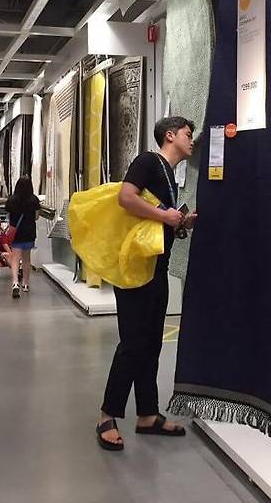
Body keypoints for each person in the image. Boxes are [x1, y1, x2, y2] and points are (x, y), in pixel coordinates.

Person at [96, 116, 198, 451]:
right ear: (170, 136)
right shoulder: (147, 161)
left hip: (155, 268)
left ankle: (147, 413)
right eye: (187, 134)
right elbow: (126, 198)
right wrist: (165, 216)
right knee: (133, 343)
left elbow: (153, 216)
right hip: (136, 271)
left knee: (152, 342)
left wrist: (178, 221)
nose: (191, 140)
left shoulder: (167, 172)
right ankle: (107, 415)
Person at [5, 176, 41, 299]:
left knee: (15, 259)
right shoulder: (34, 200)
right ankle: (25, 284)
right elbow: (36, 217)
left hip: (16, 232)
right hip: (29, 232)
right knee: (26, 259)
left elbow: (9, 216)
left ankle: (15, 283)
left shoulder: (12, 199)